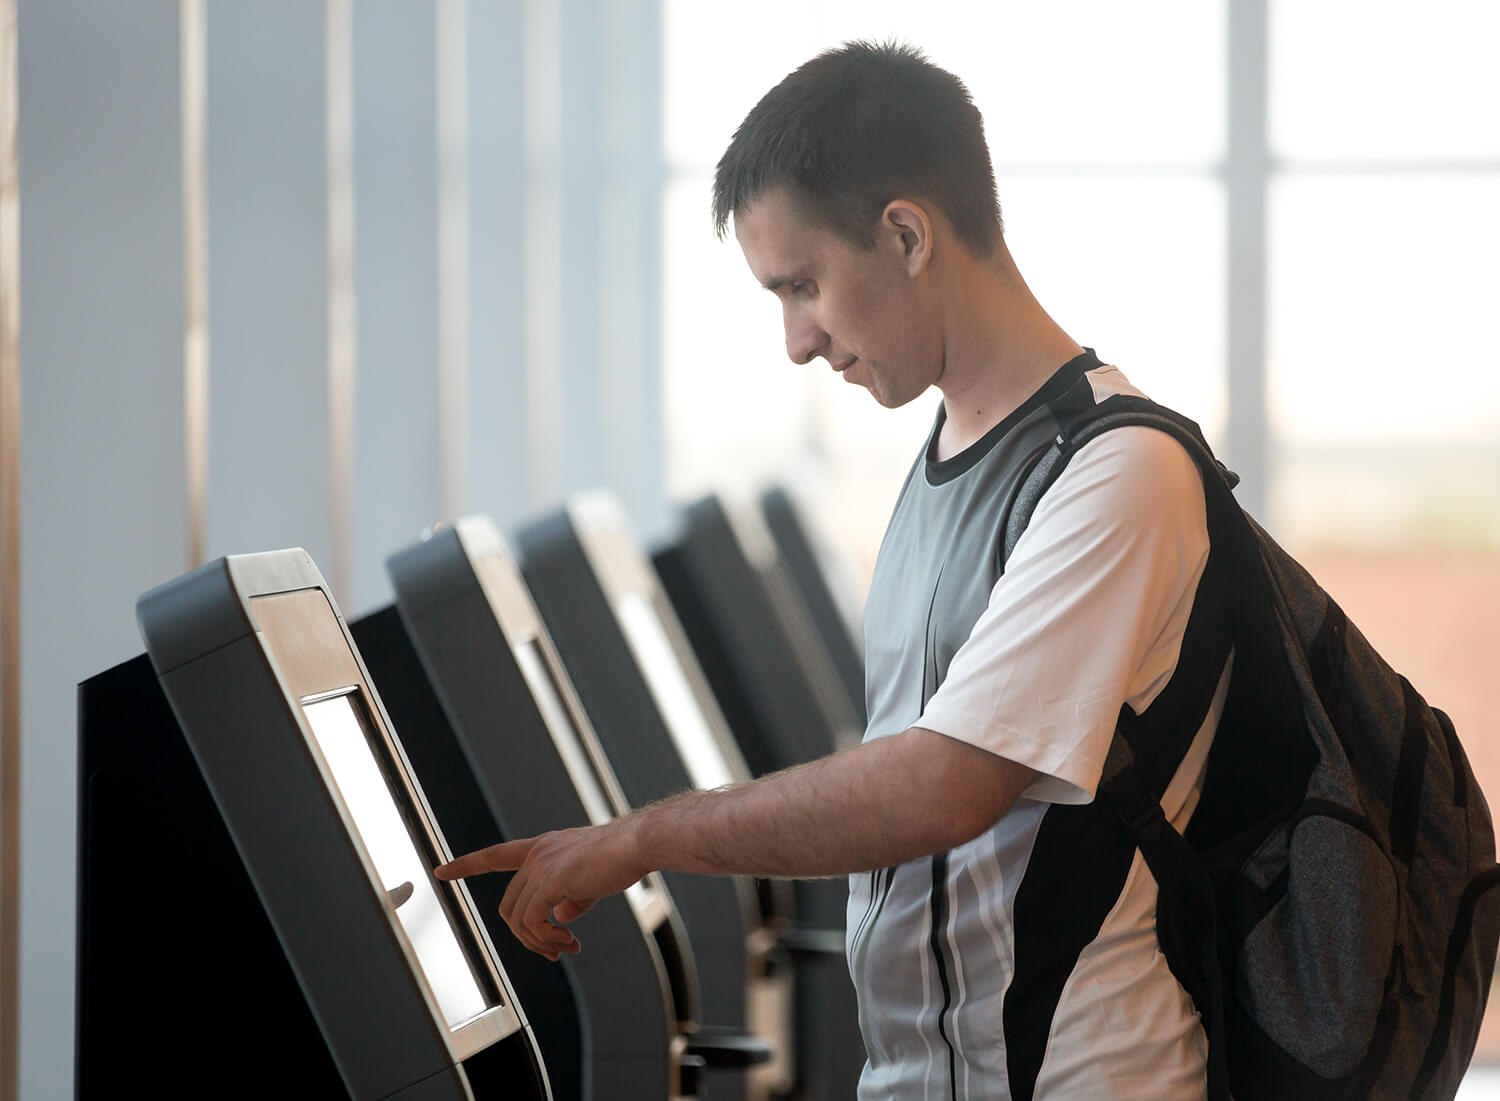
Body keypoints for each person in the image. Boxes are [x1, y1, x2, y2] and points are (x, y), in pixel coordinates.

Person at [438, 40, 1232, 1099]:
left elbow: (941, 787)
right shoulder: (945, 458)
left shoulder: (1117, 472)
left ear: (905, 234)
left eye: (804, 284)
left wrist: (642, 839)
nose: (797, 341)